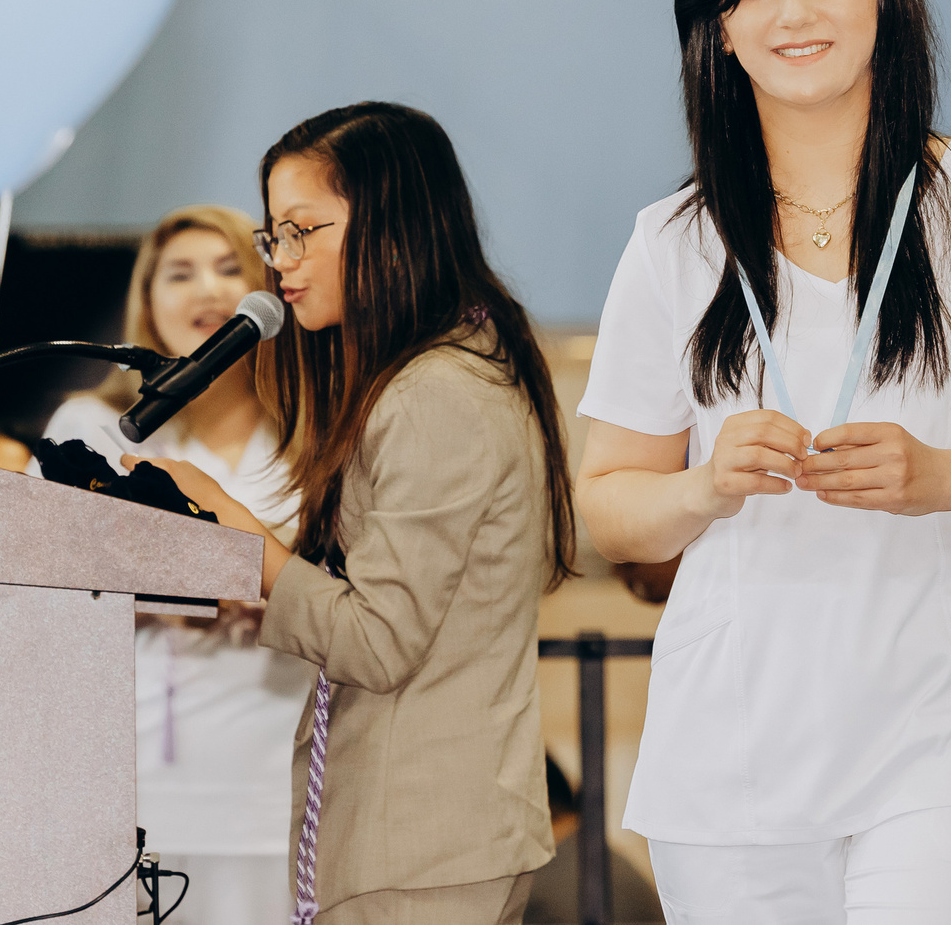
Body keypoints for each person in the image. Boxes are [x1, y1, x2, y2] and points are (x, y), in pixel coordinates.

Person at [573, 0, 951, 924]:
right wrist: (703, 487)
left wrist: (944, 476)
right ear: (717, 25)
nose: (793, 9)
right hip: (736, 754)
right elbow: (610, 502)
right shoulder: (674, 241)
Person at [137, 103, 576, 925]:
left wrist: (239, 537)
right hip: (415, 843)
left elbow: (377, 641)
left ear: (394, 226)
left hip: (422, 848)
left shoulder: (433, 394)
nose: (283, 263)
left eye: (306, 230)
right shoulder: (444, 372)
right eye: (276, 236)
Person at [37, 205, 314, 925]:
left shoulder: (321, 439)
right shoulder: (88, 432)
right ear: (148, 302)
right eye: (181, 273)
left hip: (279, 773)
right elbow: (36, 584)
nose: (207, 293)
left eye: (231, 271)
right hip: (130, 782)